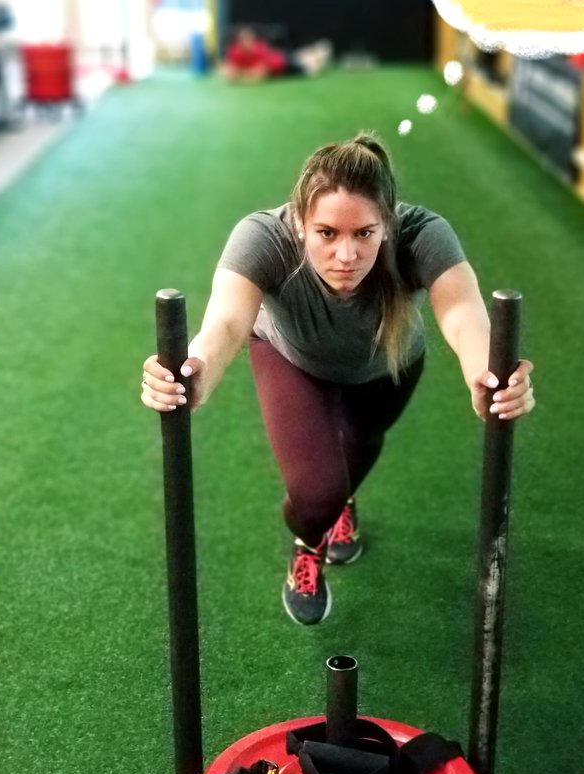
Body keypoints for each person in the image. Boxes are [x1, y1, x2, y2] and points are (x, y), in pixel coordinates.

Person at [141, 133, 535, 626]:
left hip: (387, 368)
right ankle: (309, 543)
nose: (346, 254)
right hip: (292, 360)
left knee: (362, 444)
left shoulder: (423, 233)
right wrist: (195, 369)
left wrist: (484, 371)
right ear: (300, 223)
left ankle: (342, 505)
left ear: (387, 225)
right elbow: (224, 323)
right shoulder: (262, 237)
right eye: (327, 233)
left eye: (364, 233)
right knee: (318, 493)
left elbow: (460, 310)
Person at [221, 26, 332, 82]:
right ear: (238, 41)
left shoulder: (260, 48)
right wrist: (242, 73)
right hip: (281, 70)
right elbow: (228, 73)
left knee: (311, 68)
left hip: (283, 63)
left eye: (250, 38)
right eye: (244, 39)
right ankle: (320, 54)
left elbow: (259, 75)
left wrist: (241, 74)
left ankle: (322, 54)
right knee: (307, 61)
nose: (248, 41)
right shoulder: (234, 52)